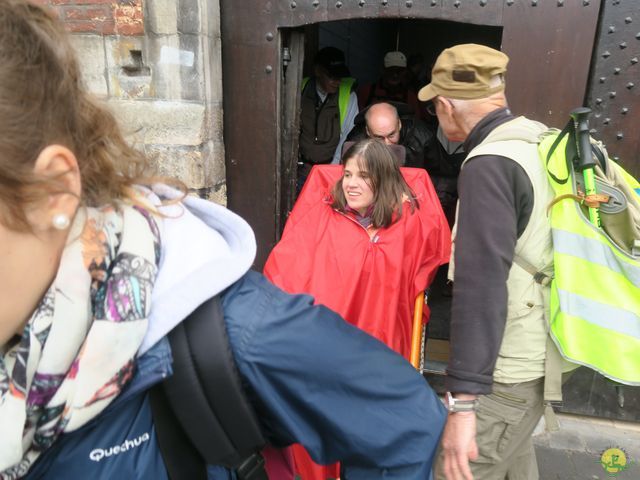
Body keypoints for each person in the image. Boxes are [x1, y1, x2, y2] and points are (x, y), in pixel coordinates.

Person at [0, 2, 449, 478]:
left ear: (53, 189)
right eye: (349, 176)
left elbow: (401, 419)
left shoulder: (228, 326)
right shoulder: (323, 210)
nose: (354, 183)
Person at [418, 44, 578, 480]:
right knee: (513, 463)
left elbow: (481, 288)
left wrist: (463, 404)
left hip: (505, 369)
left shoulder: (490, 163)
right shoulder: (538, 140)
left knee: (456, 470)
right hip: (540, 346)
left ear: (446, 106)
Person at [265, 139, 451, 480]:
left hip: (381, 342)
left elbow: (433, 252)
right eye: (347, 174)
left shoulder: (407, 223)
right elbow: (285, 269)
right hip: (328, 347)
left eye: (363, 176)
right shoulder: (322, 217)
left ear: (383, 180)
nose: (351, 183)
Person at [346, 102, 464, 226]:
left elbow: (445, 179)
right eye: (379, 138)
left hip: (413, 206)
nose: (387, 144)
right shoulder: (356, 143)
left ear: (399, 124)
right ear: (368, 132)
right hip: (370, 210)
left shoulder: (421, 136)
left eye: (392, 135)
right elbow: (347, 185)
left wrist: (427, 214)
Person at [298, 46, 359, 192]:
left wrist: (333, 169)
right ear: (317, 71)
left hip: (331, 169)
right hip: (301, 169)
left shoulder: (348, 95)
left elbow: (348, 135)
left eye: (340, 76)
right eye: (332, 76)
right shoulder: (300, 88)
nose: (337, 81)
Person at [356, 51, 421, 118]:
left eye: (399, 71)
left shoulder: (410, 97)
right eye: (391, 70)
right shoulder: (366, 92)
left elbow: (416, 123)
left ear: (405, 72)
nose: (395, 75)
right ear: (383, 70)